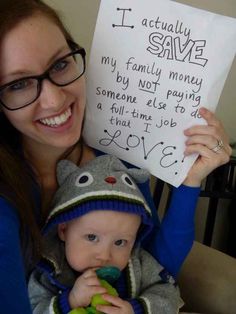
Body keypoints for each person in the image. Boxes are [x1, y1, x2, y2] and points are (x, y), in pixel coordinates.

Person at [0, 0, 231, 313]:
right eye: (19, 84)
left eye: (59, 65)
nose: (55, 99)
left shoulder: (118, 162)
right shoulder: (7, 194)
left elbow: (155, 269)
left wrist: (191, 182)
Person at [29, 154, 183, 313]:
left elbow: (169, 295)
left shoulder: (140, 264)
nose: (104, 255)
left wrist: (135, 309)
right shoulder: (49, 270)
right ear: (63, 230)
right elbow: (31, 307)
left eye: (120, 242)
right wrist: (69, 301)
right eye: (91, 237)